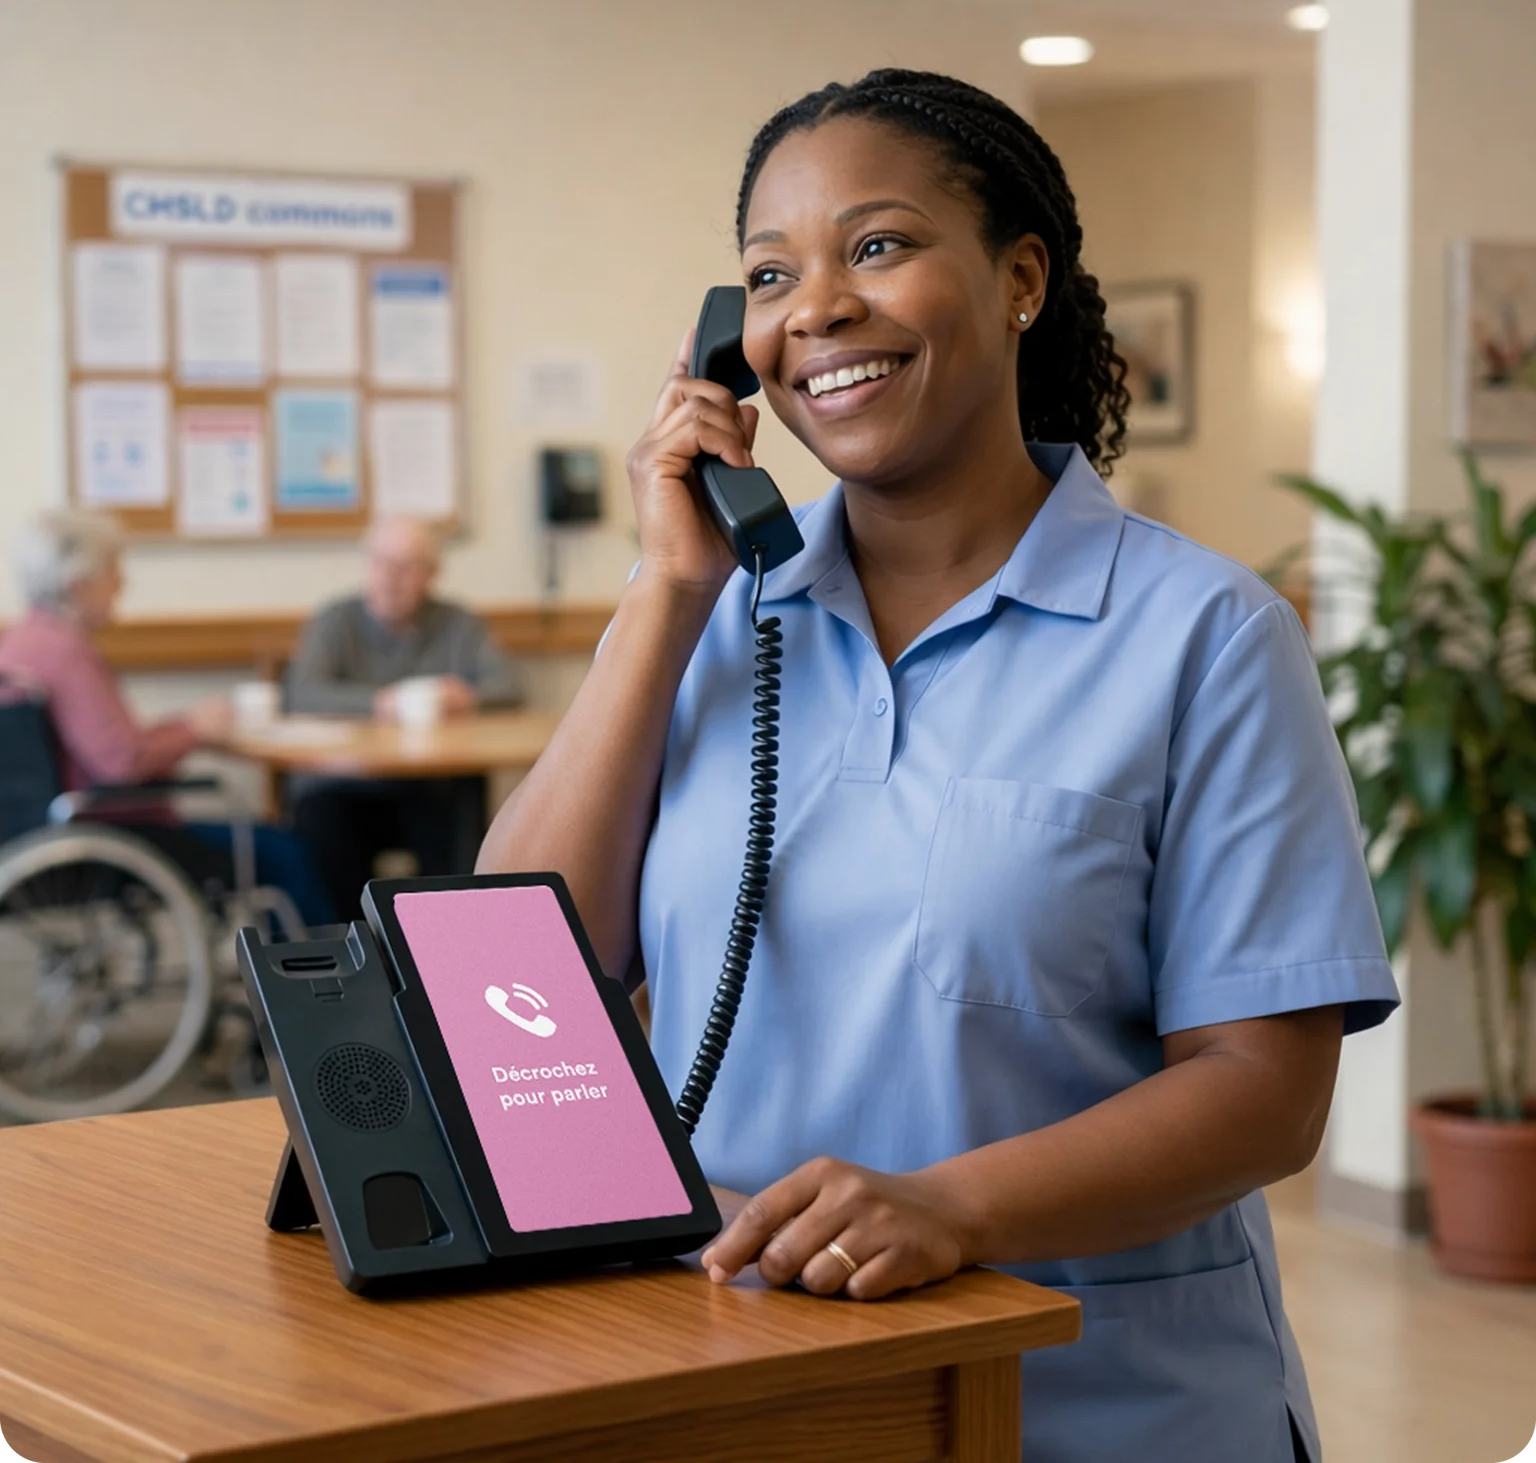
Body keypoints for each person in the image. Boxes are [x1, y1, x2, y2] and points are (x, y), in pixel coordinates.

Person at [478, 70, 1399, 1461]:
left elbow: (1265, 1088)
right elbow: (511, 979)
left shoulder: (1203, 636)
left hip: (1095, 1407)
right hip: (736, 1385)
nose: (819, 309)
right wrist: (665, 596)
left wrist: (953, 1208)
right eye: (771, 275)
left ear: (1022, 277)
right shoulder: (713, 619)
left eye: (880, 245)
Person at [0, 508, 334, 926]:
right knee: (284, 850)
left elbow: (110, 742)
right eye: (113, 570)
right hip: (109, 830)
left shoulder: (21, 641)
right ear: (78, 584)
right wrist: (194, 730)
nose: (122, 583)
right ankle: (322, 976)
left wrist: (185, 725)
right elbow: (123, 762)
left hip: (53, 826)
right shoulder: (66, 653)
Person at [285, 515, 522, 914]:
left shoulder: (457, 623)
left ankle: (455, 942)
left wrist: (467, 698)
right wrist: (378, 704)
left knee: (465, 799)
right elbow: (302, 693)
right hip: (345, 786)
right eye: (381, 562)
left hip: (429, 786)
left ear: (432, 575)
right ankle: (355, 954)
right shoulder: (334, 622)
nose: (392, 577)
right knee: (319, 820)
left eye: (408, 566)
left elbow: (509, 687)